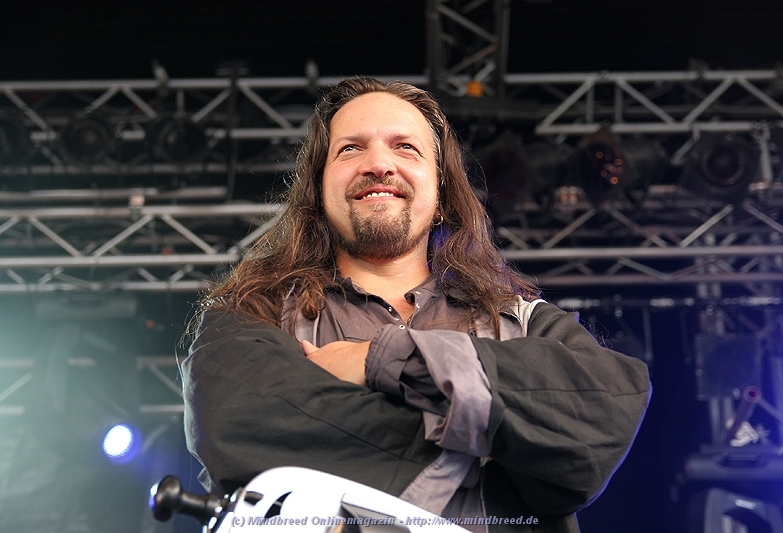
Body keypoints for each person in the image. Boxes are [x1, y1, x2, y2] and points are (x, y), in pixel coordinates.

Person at [181, 77, 651, 532]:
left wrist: (380, 360)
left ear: (442, 195)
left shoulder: (520, 319)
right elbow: (239, 429)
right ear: (318, 190)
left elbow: (605, 410)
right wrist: (490, 441)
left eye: (405, 147)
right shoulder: (251, 315)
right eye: (350, 148)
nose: (378, 164)